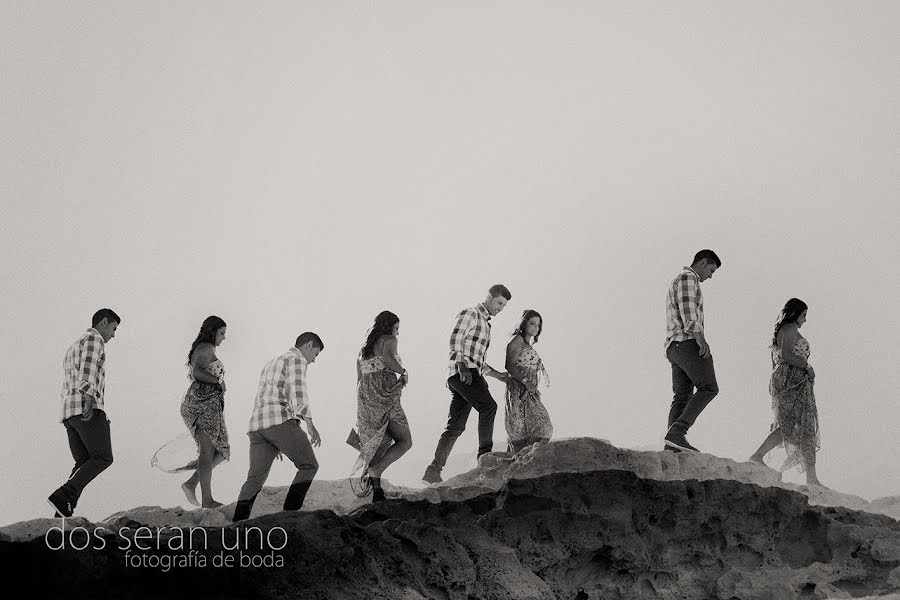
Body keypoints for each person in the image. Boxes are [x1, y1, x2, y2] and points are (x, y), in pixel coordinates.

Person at [422, 284, 512, 484]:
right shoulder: (471, 313)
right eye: (498, 303)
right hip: (463, 372)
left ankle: (433, 470)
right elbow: (456, 339)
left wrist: (499, 376)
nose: (499, 308)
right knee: (489, 407)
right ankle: (485, 456)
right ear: (489, 297)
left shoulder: (486, 325)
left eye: (503, 306)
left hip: (466, 373)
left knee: (455, 426)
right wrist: (461, 365)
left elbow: (477, 360)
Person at [232, 332, 324, 522]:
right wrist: (309, 422)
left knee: (254, 479)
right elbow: (298, 390)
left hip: (258, 427)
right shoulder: (297, 360)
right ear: (308, 346)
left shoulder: (271, 363)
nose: (313, 361)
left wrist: (276, 440)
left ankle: (238, 522)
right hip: (279, 421)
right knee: (309, 465)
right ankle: (289, 515)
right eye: (315, 354)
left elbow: (263, 395)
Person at [47, 309, 121, 517]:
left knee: (83, 462)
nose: (113, 335)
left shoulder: (73, 345)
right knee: (103, 457)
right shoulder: (94, 339)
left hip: (69, 413)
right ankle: (63, 495)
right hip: (85, 407)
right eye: (114, 329)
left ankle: (63, 510)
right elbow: (87, 369)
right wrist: (89, 398)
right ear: (104, 322)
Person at [749, 299, 825, 487]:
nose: (805, 320)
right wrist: (807, 367)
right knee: (792, 424)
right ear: (795, 313)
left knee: (803, 426)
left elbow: (775, 362)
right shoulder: (789, 328)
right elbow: (785, 356)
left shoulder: (782, 330)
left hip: (793, 381)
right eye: (804, 315)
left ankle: (812, 478)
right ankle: (757, 456)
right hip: (792, 380)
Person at [347, 311, 412, 502]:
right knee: (405, 441)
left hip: (366, 397)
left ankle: (377, 494)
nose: (397, 333)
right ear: (389, 326)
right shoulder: (389, 339)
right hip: (385, 394)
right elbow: (388, 360)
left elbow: (359, 379)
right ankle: (376, 470)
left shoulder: (362, 349)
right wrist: (404, 371)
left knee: (377, 441)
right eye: (397, 328)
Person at [663, 249, 722, 453]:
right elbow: (688, 312)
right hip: (687, 341)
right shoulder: (689, 278)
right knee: (709, 387)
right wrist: (701, 340)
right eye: (711, 270)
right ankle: (677, 433)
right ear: (703, 263)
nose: (710, 276)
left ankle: (672, 446)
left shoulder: (678, 279)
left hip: (674, 346)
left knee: (682, 395)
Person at [170, 316, 231, 508]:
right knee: (208, 451)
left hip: (209, 406)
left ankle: (191, 484)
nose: (223, 338)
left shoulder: (205, 348)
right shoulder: (206, 347)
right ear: (212, 331)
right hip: (201, 405)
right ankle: (207, 500)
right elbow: (197, 372)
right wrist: (218, 382)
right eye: (222, 333)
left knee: (220, 451)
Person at [504, 309, 553, 453]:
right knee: (536, 429)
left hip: (529, 392)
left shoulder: (527, 344)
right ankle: (515, 463)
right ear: (523, 323)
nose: (535, 327)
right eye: (532, 323)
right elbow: (510, 365)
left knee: (537, 429)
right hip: (519, 390)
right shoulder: (517, 340)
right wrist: (527, 382)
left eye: (538, 325)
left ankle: (518, 462)